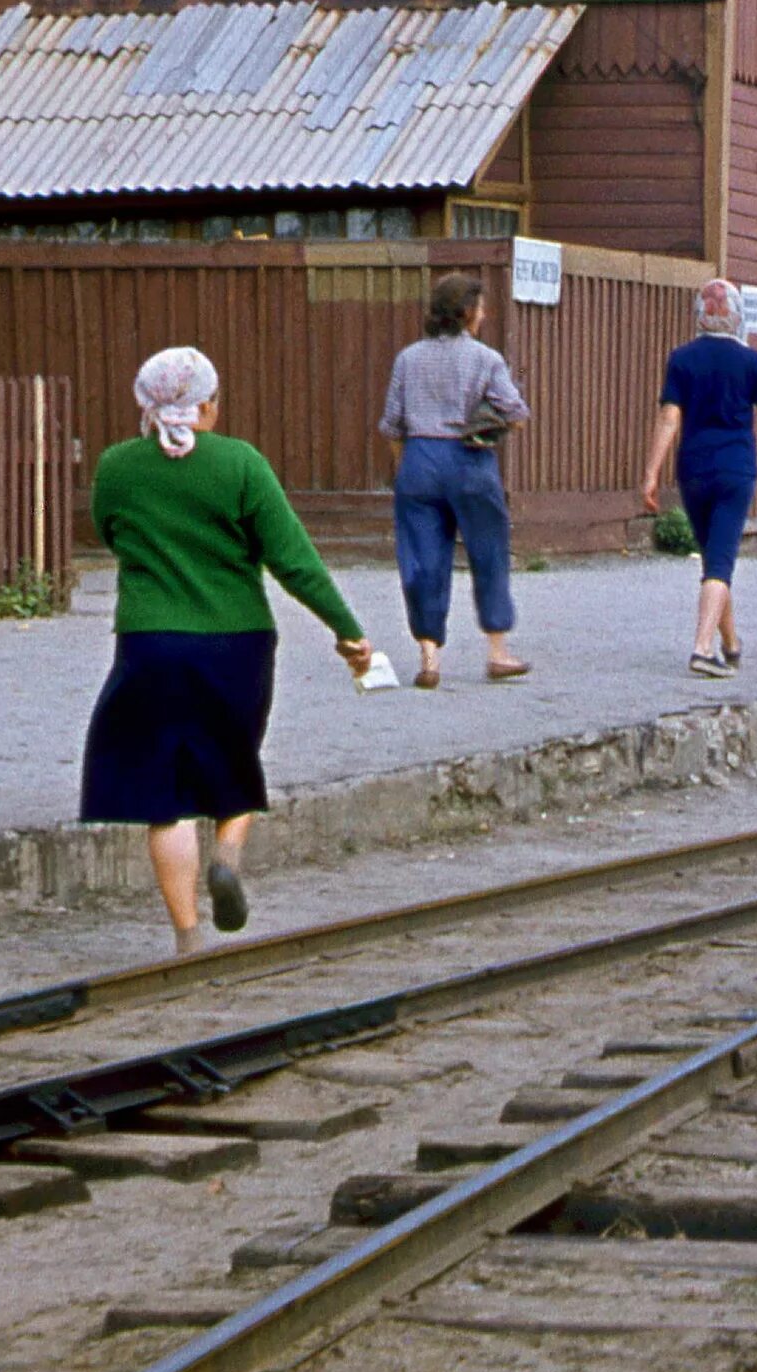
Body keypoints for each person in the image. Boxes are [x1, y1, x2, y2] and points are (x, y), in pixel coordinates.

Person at [83, 347, 372, 954]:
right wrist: (348, 632)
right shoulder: (240, 463)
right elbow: (292, 559)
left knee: (165, 798)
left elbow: (109, 531)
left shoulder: (116, 467)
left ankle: (188, 938)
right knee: (233, 760)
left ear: (145, 405)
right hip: (236, 643)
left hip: (149, 644)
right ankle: (230, 857)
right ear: (209, 405)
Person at [382, 273, 533, 688]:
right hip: (470, 460)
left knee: (422, 558)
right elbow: (517, 414)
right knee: (489, 551)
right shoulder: (486, 359)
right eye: (481, 308)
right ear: (467, 313)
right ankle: (498, 650)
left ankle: (429, 657)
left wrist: (405, 465)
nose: (484, 315)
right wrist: (490, 420)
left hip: (419, 460)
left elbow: (392, 424)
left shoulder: (408, 358)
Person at [640, 278, 757, 678]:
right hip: (736, 468)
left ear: (698, 316)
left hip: (694, 468)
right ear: (737, 317)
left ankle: (731, 644)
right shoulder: (751, 362)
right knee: (720, 560)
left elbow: (670, 416)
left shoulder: (682, 359)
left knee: (713, 558)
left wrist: (651, 473)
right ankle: (702, 649)